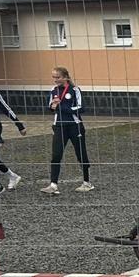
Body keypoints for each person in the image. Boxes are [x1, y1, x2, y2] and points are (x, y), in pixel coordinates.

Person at [40, 66, 92, 194]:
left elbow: (81, 108)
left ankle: (87, 182)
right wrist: (53, 105)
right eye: (53, 77)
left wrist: (62, 108)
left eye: (58, 77)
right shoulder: (53, 90)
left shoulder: (74, 90)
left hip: (75, 126)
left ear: (65, 77)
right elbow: (50, 107)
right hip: (59, 126)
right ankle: (53, 185)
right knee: (56, 155)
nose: (55, 80)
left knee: (81, 153)